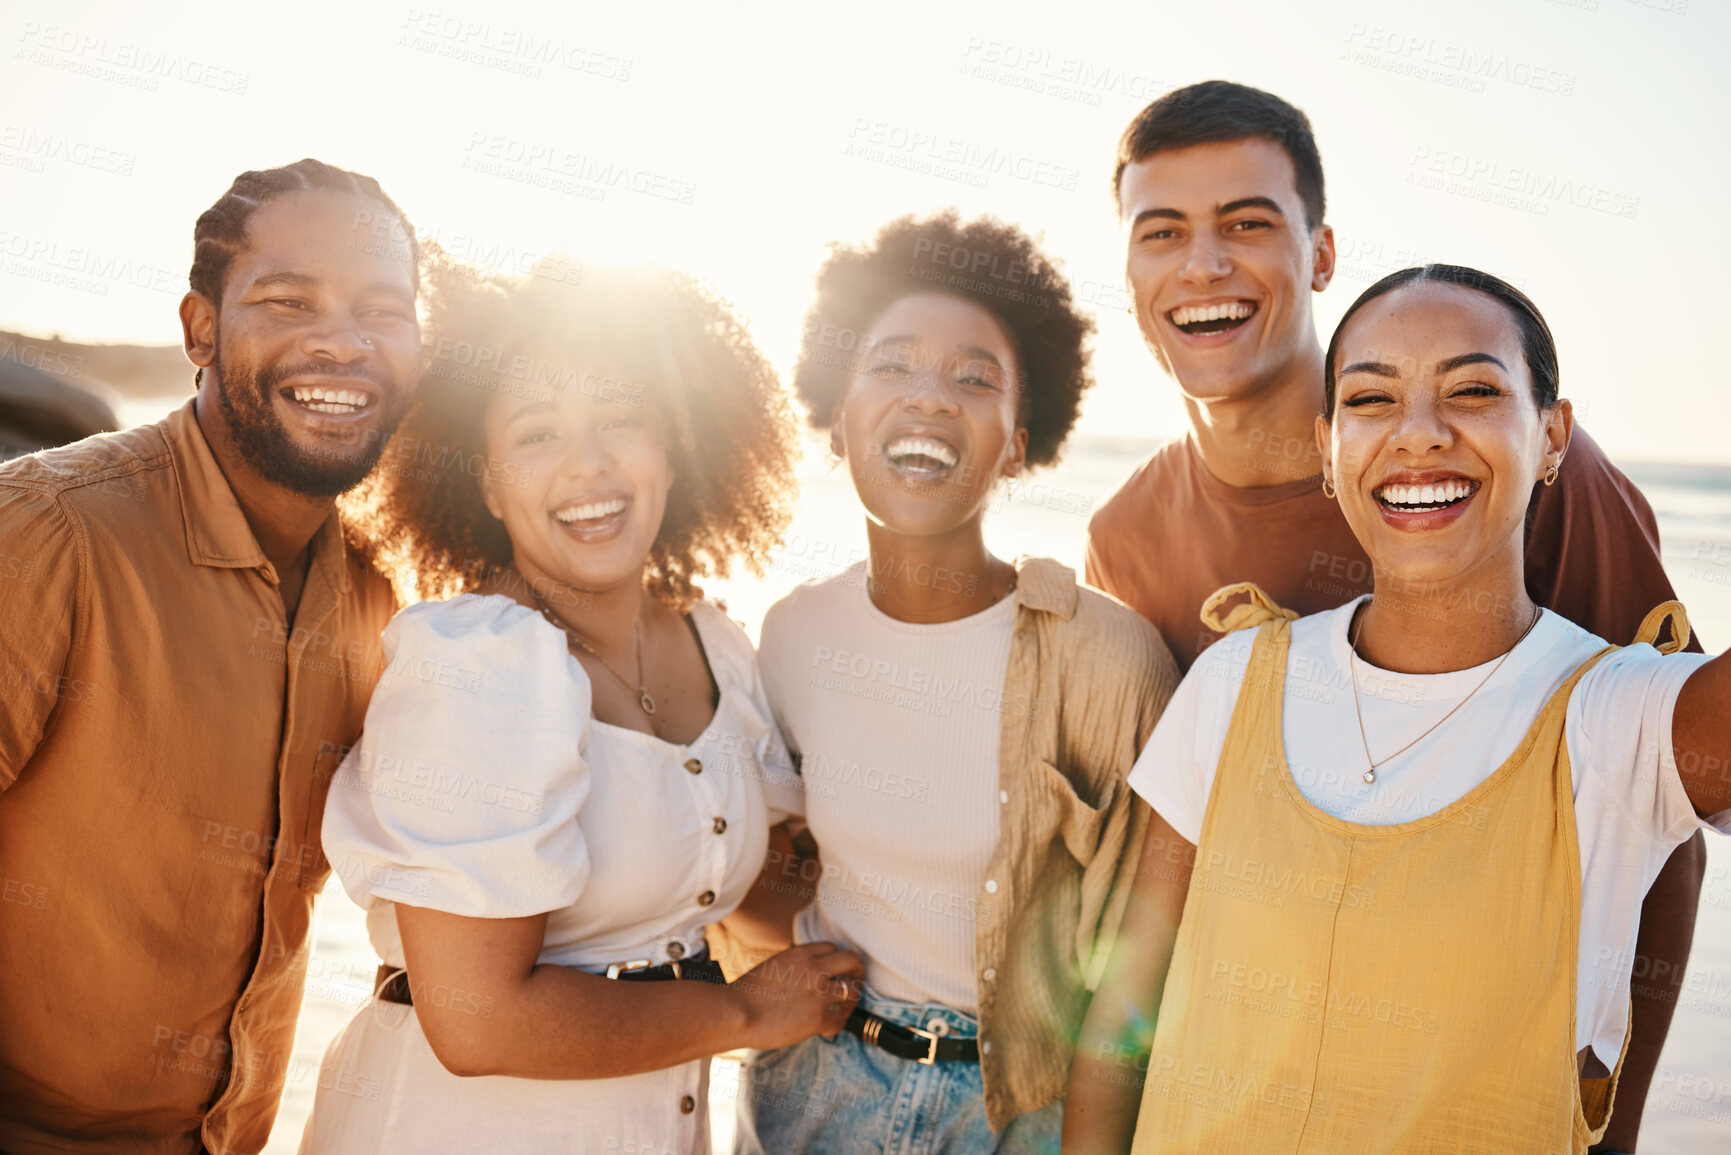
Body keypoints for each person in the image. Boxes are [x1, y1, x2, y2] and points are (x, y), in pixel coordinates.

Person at [1083, 81, 1703, 1148]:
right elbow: (1156, 894)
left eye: (1248, 223)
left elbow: (1660, 821)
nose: (1205, 266)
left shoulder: (1532, 475)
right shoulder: (1127, 535)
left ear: (1321, 255)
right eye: (1164, 232)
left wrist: (1612, 1117)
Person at [296, 264, 864, 1154]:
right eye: (537, 434)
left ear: (672, 446)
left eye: (619, 420)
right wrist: (747, 1008)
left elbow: (738, 888)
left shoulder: (715, 645)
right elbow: (477, 1021)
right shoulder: (479, 663)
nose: (587, 463)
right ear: (486, 483)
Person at [0, 159, 421, 1155]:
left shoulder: (374, 595)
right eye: (287, 300)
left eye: (383, 310)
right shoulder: (48, 532)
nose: (341, 340)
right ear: (200, 329)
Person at [738, 212, 1179, 1153]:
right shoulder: (793, 636)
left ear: (1018, 443)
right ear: (836, 415)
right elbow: (756, 862)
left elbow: (1138, 971)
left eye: (974, 377)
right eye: (889, 366)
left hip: (1017, 1110)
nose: (930, 398)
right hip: (818, 1091)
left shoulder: (1108, 657)